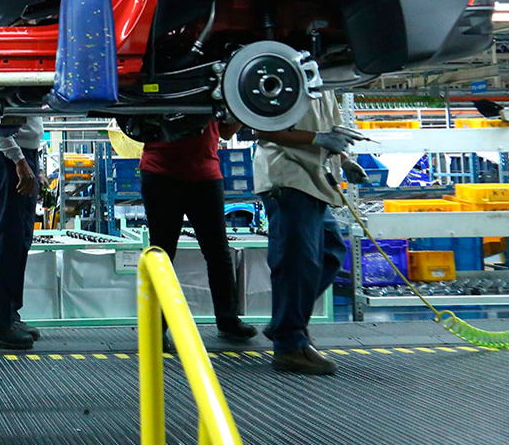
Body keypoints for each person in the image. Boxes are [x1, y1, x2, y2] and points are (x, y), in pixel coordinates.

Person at [253, 92, 368, 375]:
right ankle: (290, 346)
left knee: (331, 252)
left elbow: (331, 131)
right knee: (296, 263)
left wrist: (344, 160)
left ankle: (284, 322)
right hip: (288, 175)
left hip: (315, 179)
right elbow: (262, 128)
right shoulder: (285, 79)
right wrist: (317, 139)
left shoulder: (326, 86)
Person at [139, 119, 256, 342]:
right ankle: (156, 328)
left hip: (204, 176)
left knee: (218, 253)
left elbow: (226, 131)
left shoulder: (212, 94)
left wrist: (243, 112)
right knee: (161, 255)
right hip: (160, 173)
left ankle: (229, 322)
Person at [0, 113, 43, 350]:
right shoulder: (2, 84)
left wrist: (31, 160)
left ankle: (9, 315)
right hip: (7, 154)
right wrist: (19, 160)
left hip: (24, 153)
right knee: (9, 237)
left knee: (21, 238)